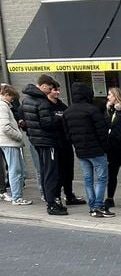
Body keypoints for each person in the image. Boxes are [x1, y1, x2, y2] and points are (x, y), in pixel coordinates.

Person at [63, 82, 114, 218]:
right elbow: (102, 132)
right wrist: (105, 148)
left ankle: (92, 207)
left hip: (81, 151)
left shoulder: (67, 112)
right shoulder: (92, 110)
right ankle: (99, 206)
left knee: (88, 179)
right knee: (102, 179)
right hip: (97, 151)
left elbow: (67, 135)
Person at [21, 74, 66, 215]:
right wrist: (58, 118)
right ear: (44, 86)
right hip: (47, 141)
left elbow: (24, 121)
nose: (52, 91)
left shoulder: (26, 100)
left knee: (44, 171)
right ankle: (52, 204)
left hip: (36, 141)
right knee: (51, 173)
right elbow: (47, 123)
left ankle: (50, 201)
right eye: (51, 88)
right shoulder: (42, 102)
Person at [45, 84, 86, 206]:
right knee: (58, 171)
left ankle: (69, 195)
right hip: (55, 143)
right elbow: (48, 123)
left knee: (68, 170)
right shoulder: (46, 105)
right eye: (55, 90)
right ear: (49, 91)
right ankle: (56, 196)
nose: (57, 92)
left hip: (66, 141)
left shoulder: (61, 105)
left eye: (58, 89)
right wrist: (58, 118)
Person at [0, 85, 31, 205]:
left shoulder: (3, 105)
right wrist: (18, 136)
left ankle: (17, 197)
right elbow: (5, 127)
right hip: (9, 142)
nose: (12, 100)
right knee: (15, 170)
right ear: (6, 94)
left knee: (16, 169)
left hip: (7, 142)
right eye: (12, 98)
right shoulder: (3, 106)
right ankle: (17, 197)